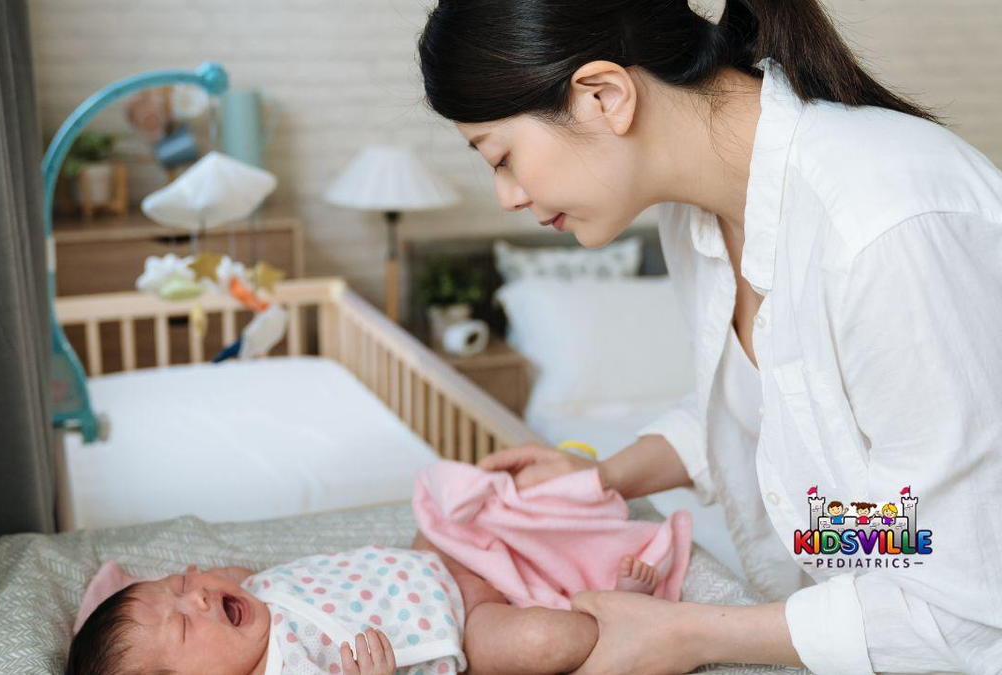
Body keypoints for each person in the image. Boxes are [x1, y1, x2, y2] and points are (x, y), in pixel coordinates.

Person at [418, 0, 1002, 673]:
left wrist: (687, 632)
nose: (508, 196)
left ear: (604, 96)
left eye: (501, 156)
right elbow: (778, 406)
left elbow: (973, 601)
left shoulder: (883, 229)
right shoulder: (700, 212)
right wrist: (603, 476)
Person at [64, 535, 663, 674]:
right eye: (185, 625)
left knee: (448, 491)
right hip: (463, 628)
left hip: (421, 558)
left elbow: (211, 580)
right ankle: (611, 611)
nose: (196, 595)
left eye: (179, 585)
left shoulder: (246, 591)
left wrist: (123, 599)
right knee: (546, 643)